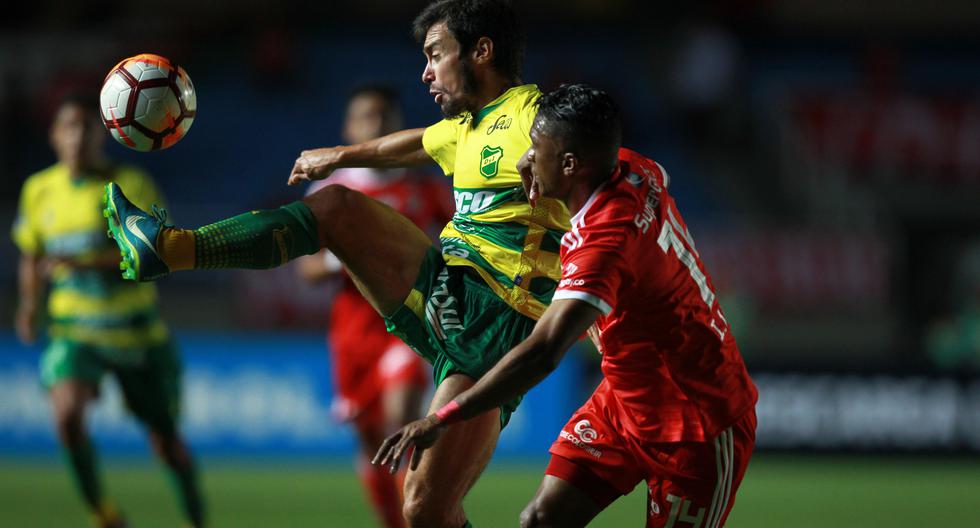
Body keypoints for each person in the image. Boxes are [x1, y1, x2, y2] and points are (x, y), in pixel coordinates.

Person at [102, 1, 569, 525]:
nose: (425, 71)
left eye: (436, 55)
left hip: (497, 328)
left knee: (423, 508)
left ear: (481, 51)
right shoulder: (465, 129)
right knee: (337, 206)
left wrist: (552, 151)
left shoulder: (535, 115)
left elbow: (594, 148)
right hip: (446, 290)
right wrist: (340, 156)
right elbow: (412, 144)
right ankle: (169, 249)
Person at [373, 84, 759, 528]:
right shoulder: (634, 168)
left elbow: (544, 351)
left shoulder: (604, 245)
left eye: (536, 148)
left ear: (571, 163)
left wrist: (443, 417)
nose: (526, 157)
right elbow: (638, 166)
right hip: (623, 400)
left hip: (696, 421)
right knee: (540, 519)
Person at [12, 93, 205, 528]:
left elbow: (155, 256)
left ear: (104, 134)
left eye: (85, 127)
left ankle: (197, 520)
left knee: (167, 445)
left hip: (135, 333)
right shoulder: (38, 190)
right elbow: (31, 254)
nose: (77, 136)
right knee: (66, 416)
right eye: (68, 127)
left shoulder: (128, 185)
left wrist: (83, 263)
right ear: (54, 136)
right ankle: (105, 514)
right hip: (75, 331)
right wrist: (28, 304)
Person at [296, 85, 451, 528]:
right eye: (365, 117)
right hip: (353, 334)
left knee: (401, 419)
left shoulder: (423, 188)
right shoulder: (331, 191)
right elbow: (306, 272)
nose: (375, 125)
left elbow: (463, 240)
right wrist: (349, 254)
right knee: (369, 445)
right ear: (349, 128)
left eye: (383, 117)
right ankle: (393, 520)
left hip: (409, 330)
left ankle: (420, 515)